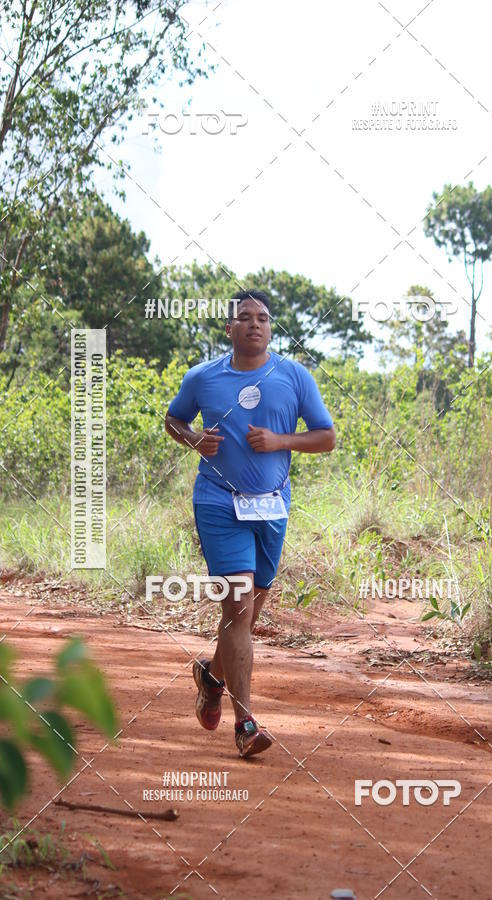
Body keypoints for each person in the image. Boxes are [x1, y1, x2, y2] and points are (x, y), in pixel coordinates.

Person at [165, 289, 335, 758]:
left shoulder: (294, 376)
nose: (254, 324)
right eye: (244, 318)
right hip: (218, 502)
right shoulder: (203, 377)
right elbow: (173, 420)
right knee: (239, 606)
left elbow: (327, 437)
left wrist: (281, 440)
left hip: (271, 507)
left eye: (262, 318)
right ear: (229, 328)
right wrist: (195, 439)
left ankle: (211, 678)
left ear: (270, 326)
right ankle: (246, 725)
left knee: (246, 614)